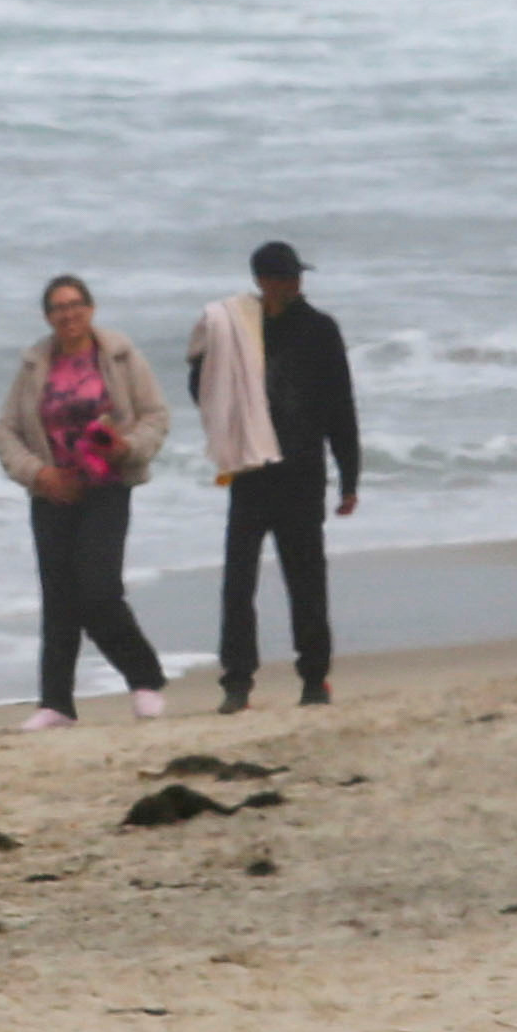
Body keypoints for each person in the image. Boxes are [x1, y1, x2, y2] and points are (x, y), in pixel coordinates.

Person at [187, 239, 365, 713]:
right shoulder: (237, 329)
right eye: (285, 277)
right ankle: (237, 682)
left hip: (303, 472)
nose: (294, 283)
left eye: (296, 276)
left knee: (306, 580)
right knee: (238, 581)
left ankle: (314, 679)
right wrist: (202, 361)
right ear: (263, 281)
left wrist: (350, 478)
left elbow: (341, 407)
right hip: (250, 471)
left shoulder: (320, 330)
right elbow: (204, 389)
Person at [0, 273, 171, 728]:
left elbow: (156, 415)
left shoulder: (121, 356)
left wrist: (128, 447)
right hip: (53, 491)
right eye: (58, 308)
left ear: (90, 309)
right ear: (48, 317)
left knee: (98, 589)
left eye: (75, 305)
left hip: (107, 486)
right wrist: (39, 474)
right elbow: (5, 429)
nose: (68, 314)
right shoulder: (35, 365)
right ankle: (55, 703)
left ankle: (144, 678)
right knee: (59, 598)